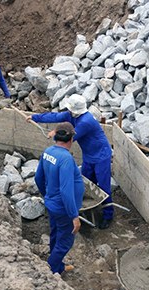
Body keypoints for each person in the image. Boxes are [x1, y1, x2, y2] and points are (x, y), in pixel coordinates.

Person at [27, 94, 113, 229]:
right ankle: (85, 206)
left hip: (101, 155)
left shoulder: (86, 121)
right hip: (89, 155)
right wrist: (35, 117)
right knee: (86, 182)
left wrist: (55, 133)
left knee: (103, 186)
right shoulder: (71, 115)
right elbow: (55, 117)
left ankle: (108, 215)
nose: (68, 111)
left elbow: (70, 137)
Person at [34, 122, 84, 274]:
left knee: (56, 234)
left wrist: (47, 196)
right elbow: (66, 190)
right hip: (63, 209)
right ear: (70, 139)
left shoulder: (48, 151)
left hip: (52, 204)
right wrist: (74, 216)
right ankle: (48, 270)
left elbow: (38, 178)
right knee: (65, 241)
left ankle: (57, 267)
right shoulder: (66, 159)